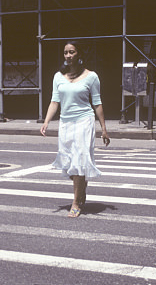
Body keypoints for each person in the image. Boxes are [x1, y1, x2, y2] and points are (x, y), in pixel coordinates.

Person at [41, 40, 109, 217]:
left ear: (79, 54)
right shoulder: (58, 76)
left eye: (72, 52)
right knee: (69, 162)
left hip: (84, 121)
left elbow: (97, 103)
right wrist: (47, 122)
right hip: (65, 122)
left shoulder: (91, 76)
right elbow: (54, 101)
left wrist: (104, 128)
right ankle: (81, 187)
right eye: (65, 52)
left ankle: (76, 202)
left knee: (79, 160)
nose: (68, 56)